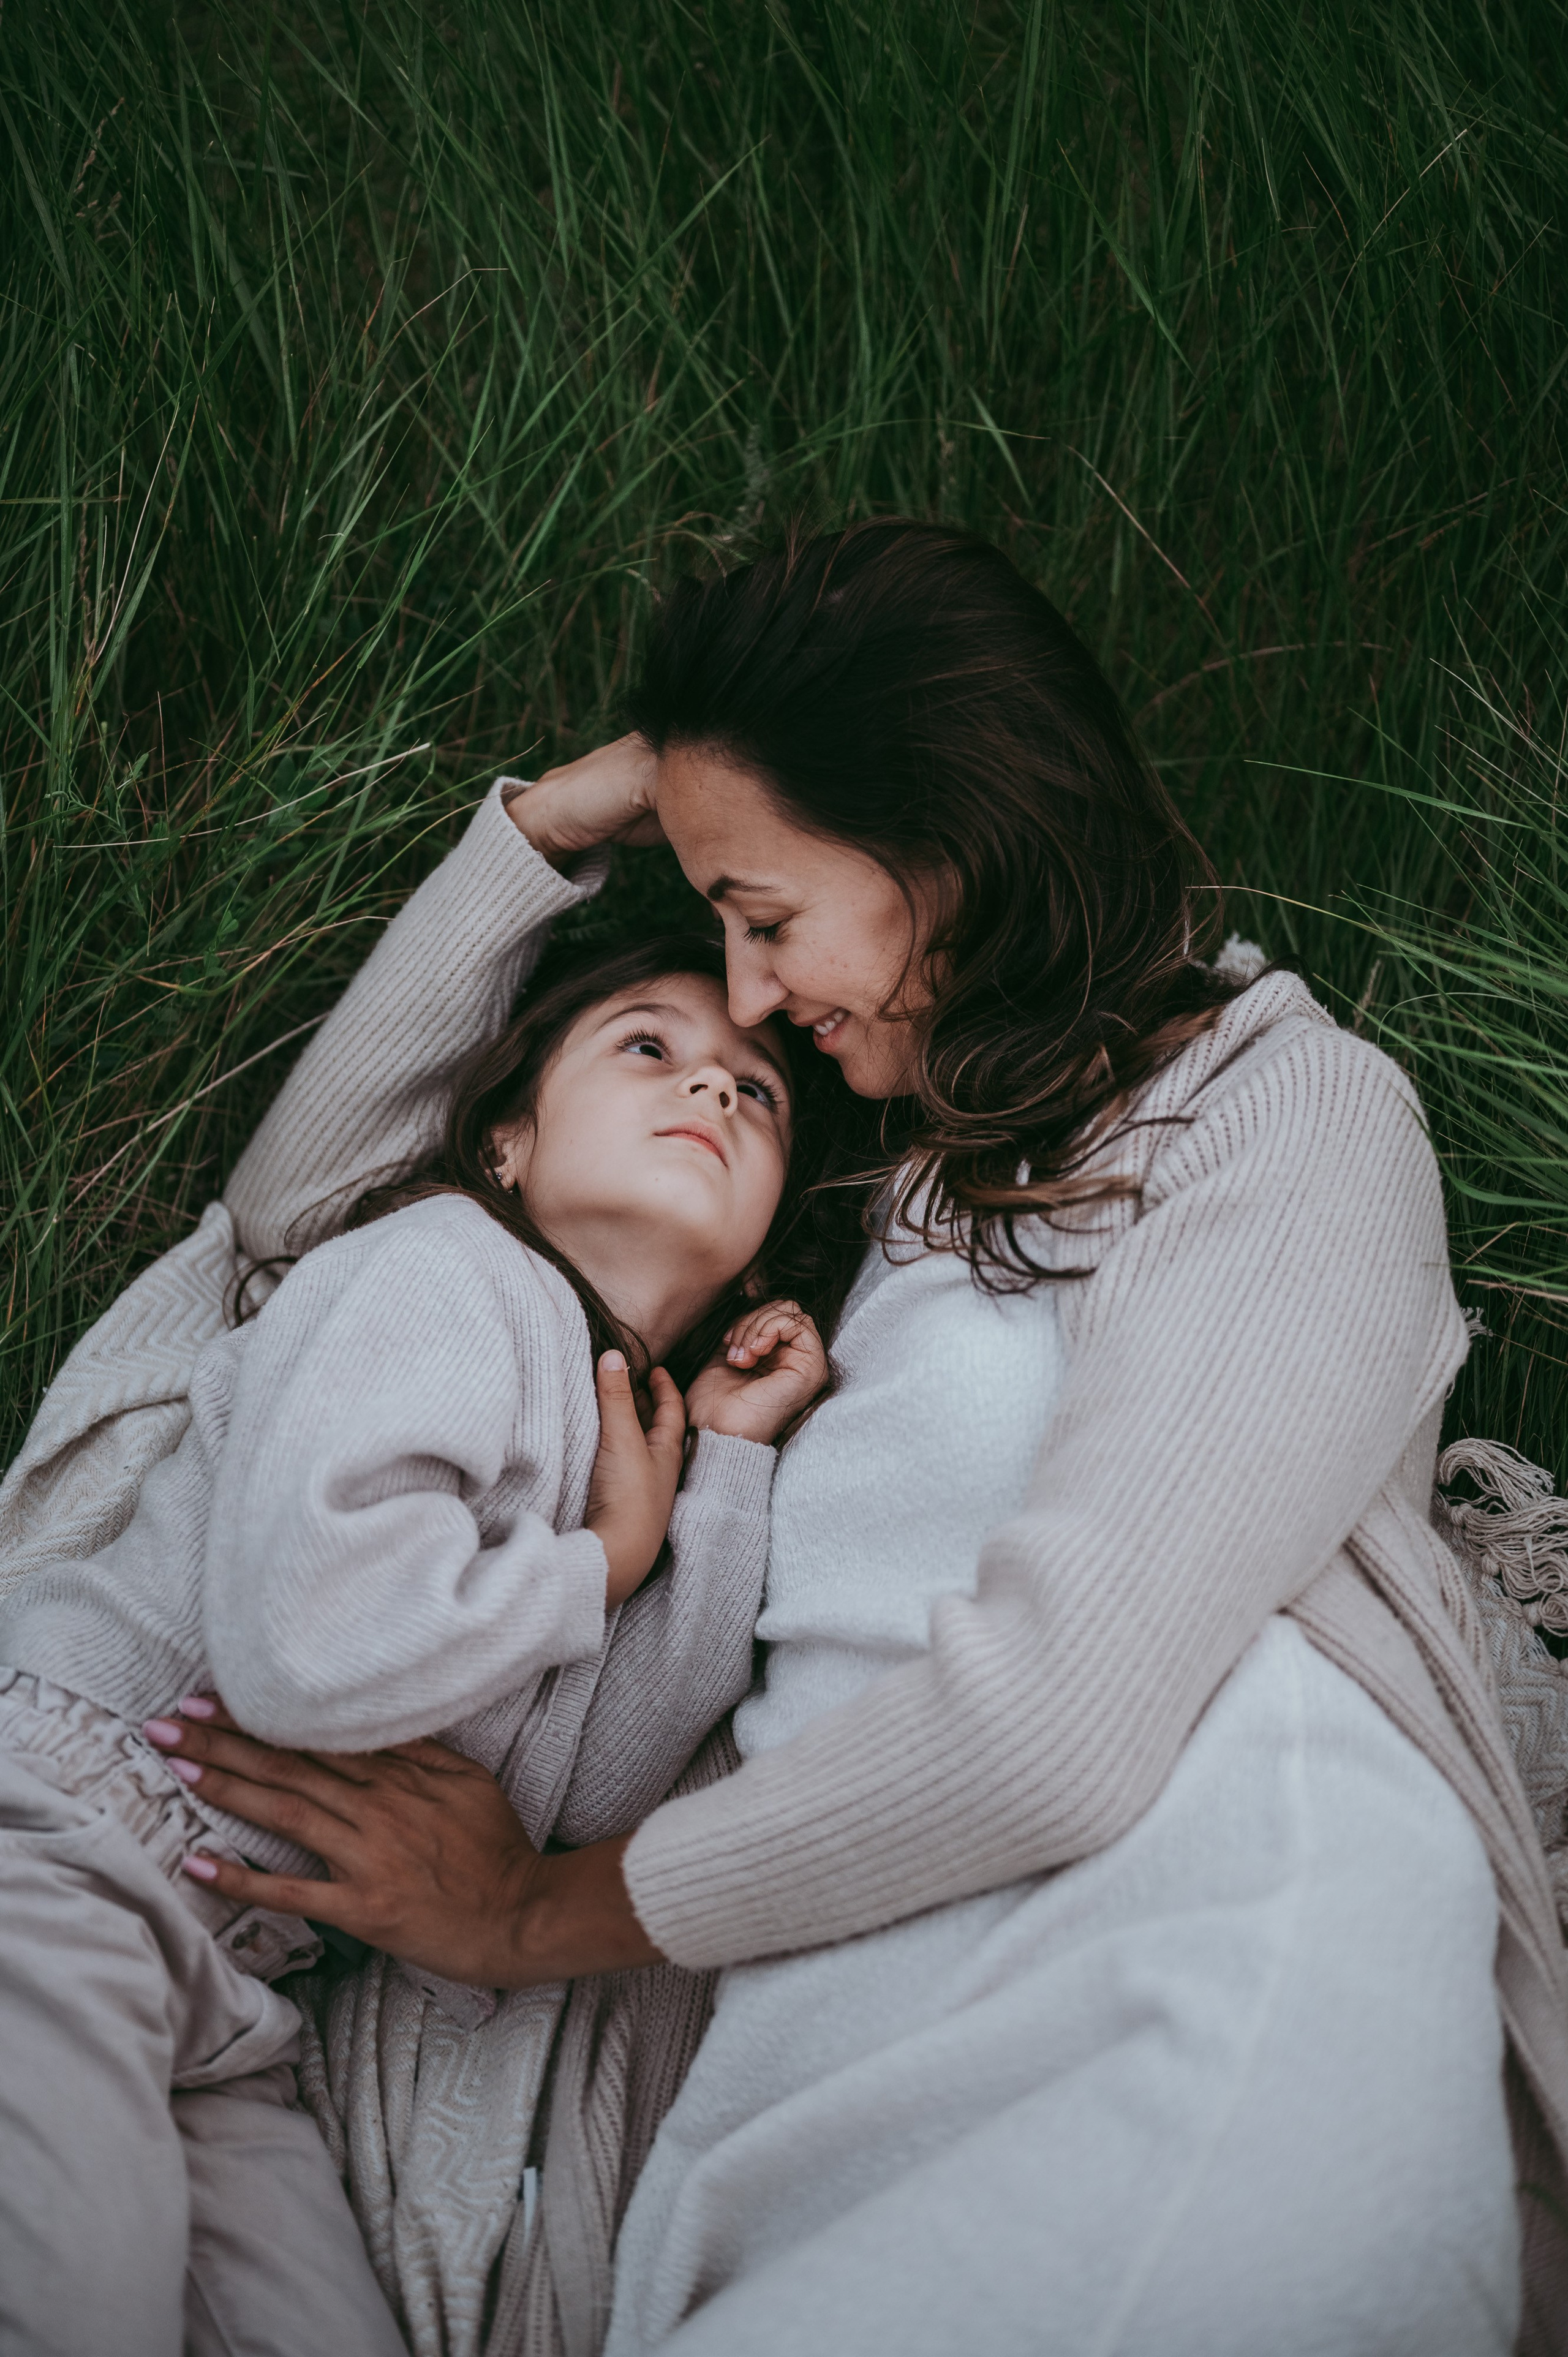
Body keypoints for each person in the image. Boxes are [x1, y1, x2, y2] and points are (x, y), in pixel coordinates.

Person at [12, 520, 1568, 2356]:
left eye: (762, 919)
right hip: (802, 2090)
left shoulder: (1277, 1110)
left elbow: (1054, 1727)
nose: (745, 1004)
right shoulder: (872, 1181)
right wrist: (554, 835)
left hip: (1161, 1995)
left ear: (943, 849)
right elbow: (311, 1230)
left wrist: (527, 1915)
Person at [0, 908, 859, 2356]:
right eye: (649, 1047)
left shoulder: (630, 1434)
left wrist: (722, 1472)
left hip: (240, 1990)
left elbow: (571, 1800)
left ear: (767, 1239)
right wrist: (597, 1560)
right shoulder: (446, 1270)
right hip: (70, 1852)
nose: (712, 1086)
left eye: (756, 1091)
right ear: (509, 1143)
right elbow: (303, 1644)